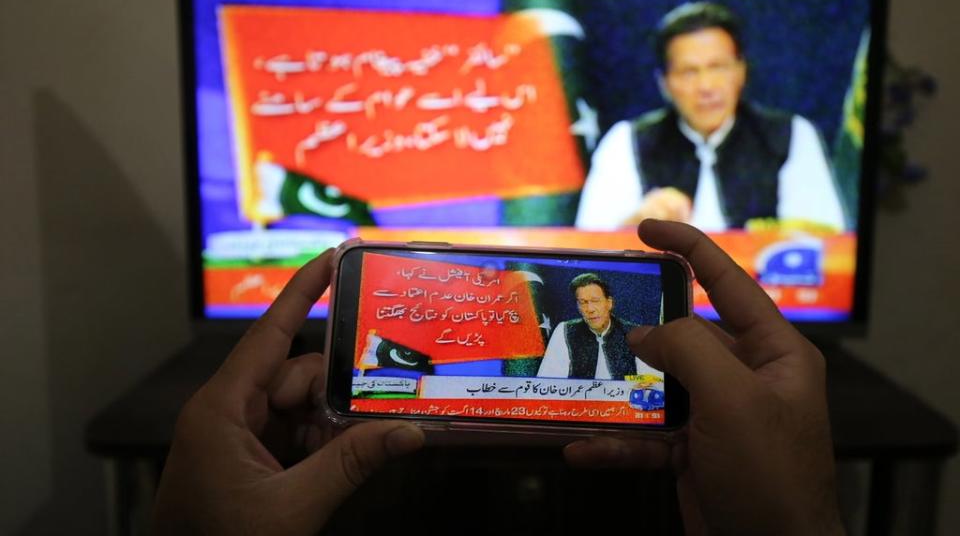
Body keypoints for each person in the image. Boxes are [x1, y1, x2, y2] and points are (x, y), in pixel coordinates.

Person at [153, 220, 844, 535]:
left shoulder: (654, 346)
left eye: (596, 299)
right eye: (579, 302)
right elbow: (543, 383)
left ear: (610, 300)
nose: (587, 308)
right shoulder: (568, 336)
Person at [575, 1, 846, 232]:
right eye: (689, 72)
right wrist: (636, 222)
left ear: (741, 72)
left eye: (718, 67)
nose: (706, 87)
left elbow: (822, 239)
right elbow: (589, 245)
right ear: (665, 83)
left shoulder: (791, 135)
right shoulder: (626, 141)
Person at [536, 272, 657, 380]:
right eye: (583, 302)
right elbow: (547, 381)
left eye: (595, 301)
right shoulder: (565, 331)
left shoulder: (634, 333)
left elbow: (652, 383)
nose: (590, 309)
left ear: (609, 303)